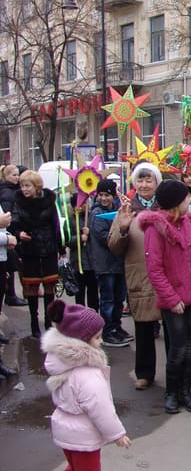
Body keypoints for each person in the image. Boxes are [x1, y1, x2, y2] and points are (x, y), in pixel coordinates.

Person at [141, 179, 191, 414]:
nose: (189, 200)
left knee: (189, 348)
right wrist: (172, 299)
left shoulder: (190, 223)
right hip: (174, 300)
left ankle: (186, 392)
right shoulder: (155, 230)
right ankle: (171, 393)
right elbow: (154, 270)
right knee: (176, 349)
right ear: (175, 202)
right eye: (186, 197)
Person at [44, 300, 131, 470]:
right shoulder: (88, 374)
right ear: (82, 340)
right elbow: (100, 408)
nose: (101, 342)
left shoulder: (62, 363)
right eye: (97, 337)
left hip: (66, 432)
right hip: (83, 437)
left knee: (74, 466)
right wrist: (117, 434)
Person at [107, 163, 162, 390]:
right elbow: (113, 246)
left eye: (149, 180)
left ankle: (177, 376)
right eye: (140, 180)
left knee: (173, 328)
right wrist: (122, 228)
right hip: (140, 275)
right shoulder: (126, 210)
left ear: (157, 183)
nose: (144, 185)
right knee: (143, 327)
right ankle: (145, 373)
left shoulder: (167, 207)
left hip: (167, 276)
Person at [15, 170, 64, 337]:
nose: (24, 189)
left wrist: (61, 247)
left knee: (50, 289)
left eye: (27, 185)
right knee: (32, 289)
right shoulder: (18, 201)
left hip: (48, 248)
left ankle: (49, 323)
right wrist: (18, 233)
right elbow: (14, 222)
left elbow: (56, 225)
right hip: (29, 250)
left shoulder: (49, 201)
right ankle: (34, 323)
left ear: (37, 186)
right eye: (22, 185)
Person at [86, 181, 128, 349]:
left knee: (119, 298)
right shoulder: (96, 213)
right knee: (108, 299)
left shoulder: (118, 210)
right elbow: (107, 238)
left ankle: (116, 326)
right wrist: (120, 229)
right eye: (101, 195)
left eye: (107, 195)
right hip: (105, 264)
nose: (103, 198)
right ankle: (107, 330)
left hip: (119, 263)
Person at [0, 165, 26, 308]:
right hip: (6, 238)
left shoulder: (12, 191)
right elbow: (6, 216)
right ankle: (11, 295)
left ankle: (11, 294)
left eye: (18, 175)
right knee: (9, 267)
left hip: (7, 236)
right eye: (14, 175)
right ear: (6, 176)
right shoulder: (7, 193)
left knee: (9, 268)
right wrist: (8, 235)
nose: (17, 178)